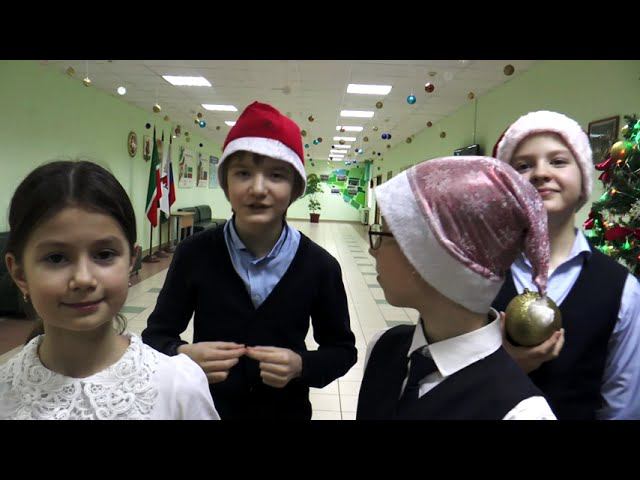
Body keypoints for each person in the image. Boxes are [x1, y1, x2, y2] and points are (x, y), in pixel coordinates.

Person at [142, 102, 357, 419]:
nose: (258, 189)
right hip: (206, 410)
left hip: (285, 414)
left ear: (295, 188)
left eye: (276, 175)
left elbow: (342, 351)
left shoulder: (320, 266)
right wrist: (182, 354)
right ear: (226, 183)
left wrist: (301, 364)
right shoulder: (194, 253)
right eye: (243, 173)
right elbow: (155, 338)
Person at [0, 160, 219, 420]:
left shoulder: (178, 387)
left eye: (104, 254)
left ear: (131, 261)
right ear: (20, 274)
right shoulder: (5, 393)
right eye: (56, 258)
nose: (83, 279)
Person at [357, 156, 557, 420]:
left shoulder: (520, 412)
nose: (373, 250)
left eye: (382, 234)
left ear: (431, 258)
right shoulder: (383, 348)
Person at [493, 110, 640, 419]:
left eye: (558, 161)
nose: (540, 173)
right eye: (523, 165)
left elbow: (622, 405)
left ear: (583, 177)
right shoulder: (478, 272)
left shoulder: (622, 289)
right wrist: (504, 368)